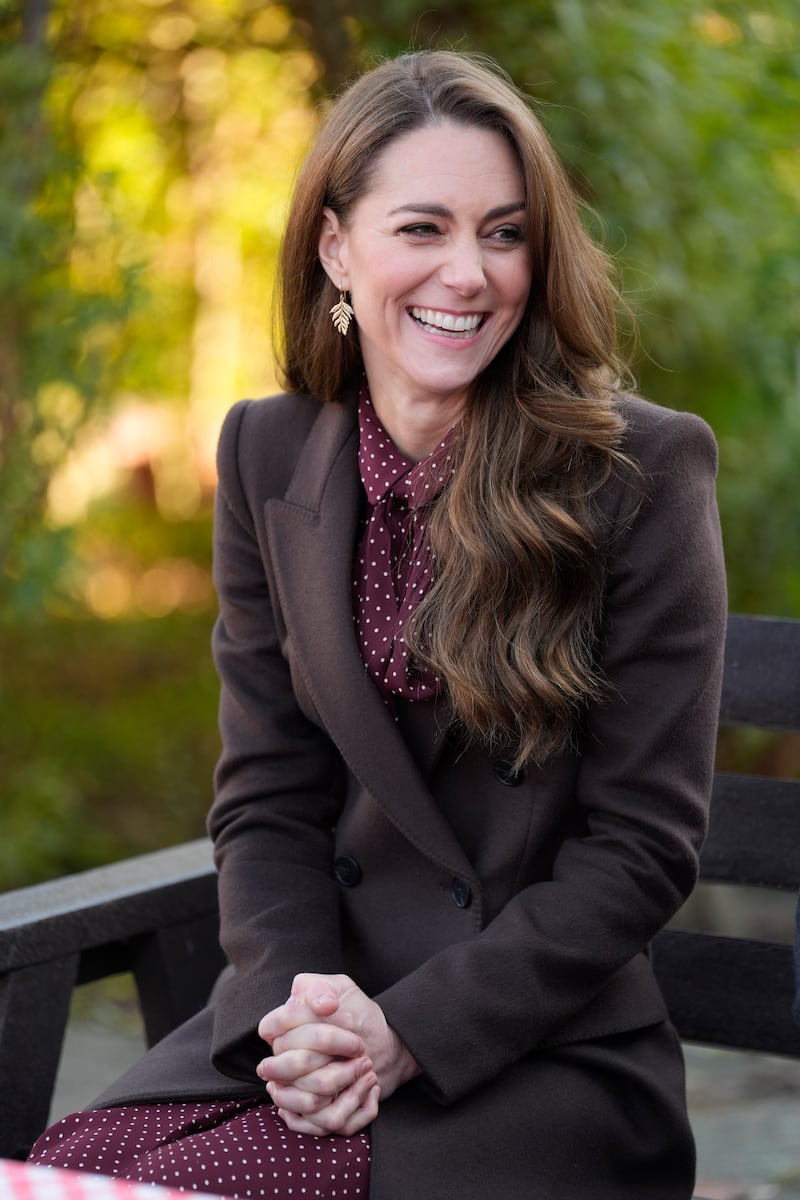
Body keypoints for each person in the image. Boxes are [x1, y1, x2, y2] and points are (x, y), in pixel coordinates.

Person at [29, 48, 727, 1199]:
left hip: (526, 1054)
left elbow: (640, 850)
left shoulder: (638, 471)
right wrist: (295, 1018)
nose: (467, 273)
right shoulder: (265, 450)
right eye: (422, 228)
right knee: (57, 1175)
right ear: (336, 247)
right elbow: (267, 794)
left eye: (503, 234)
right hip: (309, 1030)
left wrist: (405, 1032)